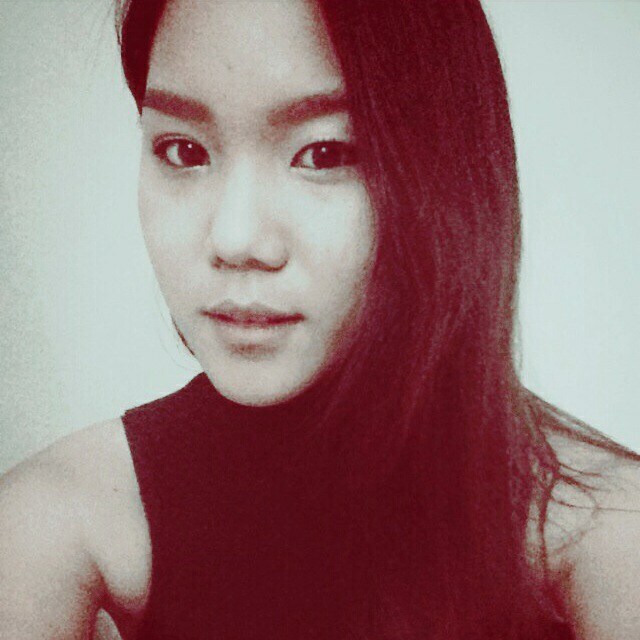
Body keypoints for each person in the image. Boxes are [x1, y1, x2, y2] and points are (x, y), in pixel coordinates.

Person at [1, 1, 639, 638]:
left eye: (325, 153)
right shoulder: (54, 522)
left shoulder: (607, 529)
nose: (236, 238)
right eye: (184, 150)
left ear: (446, 173)